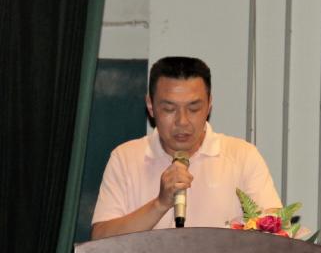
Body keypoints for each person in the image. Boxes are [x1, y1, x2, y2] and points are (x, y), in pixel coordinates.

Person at [91, 56, 281, 239]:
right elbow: (99, 241)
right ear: (150, 105)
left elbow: (278, 236)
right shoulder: (125, 158)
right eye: (169, 109)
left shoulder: (243, 156)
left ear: (209, 104)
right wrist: (160, 204)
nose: (182, 121)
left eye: (193, 109)